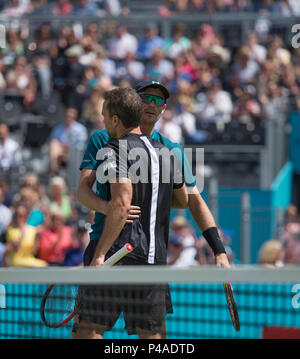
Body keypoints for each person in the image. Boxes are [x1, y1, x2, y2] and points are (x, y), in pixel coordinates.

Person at [73, 87, 188, 339]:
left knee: (88, 331)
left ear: (115, 119)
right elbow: (182, 200)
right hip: (153, 257)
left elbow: (122, 203)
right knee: (152, 336)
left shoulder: (112, 149)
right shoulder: (167, 153)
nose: (102, 121)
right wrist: (151, 201)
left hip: (116, 253)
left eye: (104, 116)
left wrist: (100, 256)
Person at [77, 79, 230, 270]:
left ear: (163, 108)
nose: (151, 104)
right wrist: (109, 207)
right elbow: (82, 191)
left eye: (157, 101)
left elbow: (192, 201)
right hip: (106, 246)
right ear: (134, 102)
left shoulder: (171, 149)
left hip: (150, 255)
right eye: (145, 98)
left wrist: (219, 251)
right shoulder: (103, 138)